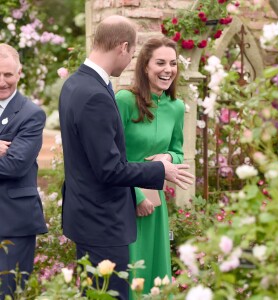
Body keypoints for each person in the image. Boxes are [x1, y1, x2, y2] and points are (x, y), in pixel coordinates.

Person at [58, 15, 193, 300]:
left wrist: (167, 158)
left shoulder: (76, 85)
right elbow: (109, 168)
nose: (129, 58)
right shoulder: (98, 94)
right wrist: (159, 170)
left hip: (91, 216)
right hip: (105, 220)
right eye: (132, 52)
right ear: (123, 47)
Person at [115, 36, 183, 296]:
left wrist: (167, 158)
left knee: (156, 274)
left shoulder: (176, 107)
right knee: (132, 270)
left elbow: (177, 152)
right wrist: (137, 195)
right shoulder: (124, 100)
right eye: (161, 63)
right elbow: (112, 156)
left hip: (157, 203)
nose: (168, 69)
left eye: (173, 63)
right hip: (125, 200)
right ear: (145, 66)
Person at [0, 43, 47, 299]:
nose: (2, 82)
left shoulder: (31, 114)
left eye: (8, 74)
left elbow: (14, 165)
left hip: (13, 223)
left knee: (9, 294)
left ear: (19, 73)